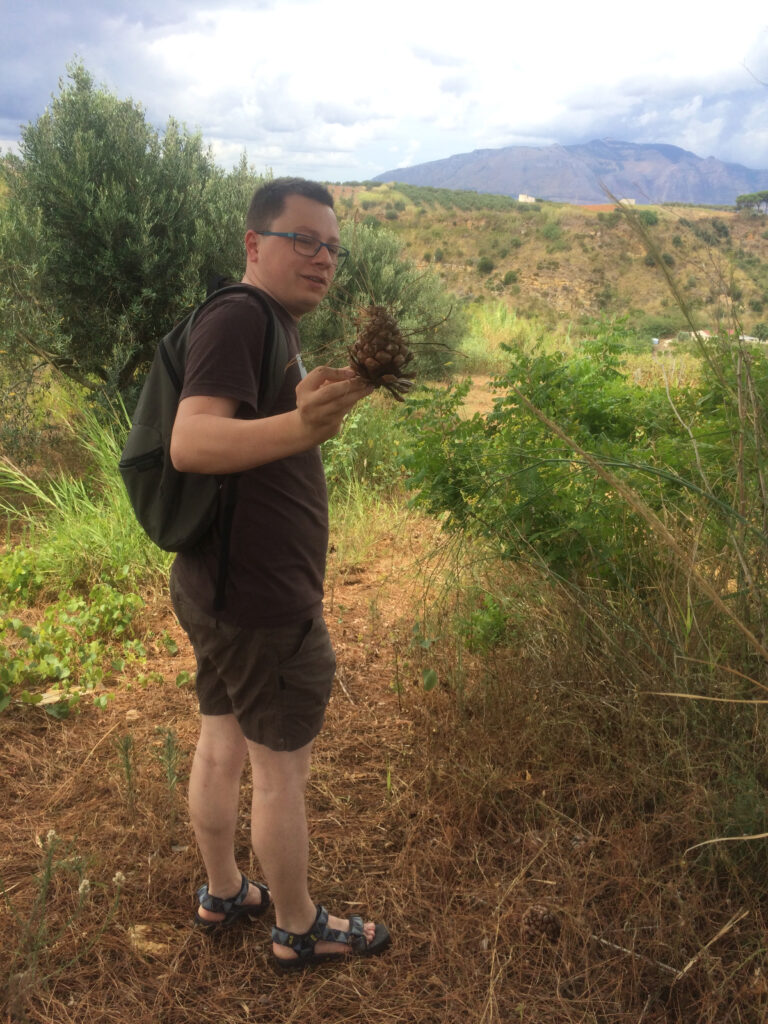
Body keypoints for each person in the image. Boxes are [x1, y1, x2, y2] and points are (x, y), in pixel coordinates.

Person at [168, 177, 390, 970]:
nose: (323, 258)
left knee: (222, 739)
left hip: (219, 583)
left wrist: (310, 408)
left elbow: (261, 432)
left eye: (332, 246)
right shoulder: (239, 315)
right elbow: (191, 444)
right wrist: (299, 423)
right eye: (305, 240)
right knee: (279, 770)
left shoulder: (269, 326)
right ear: (255, 244)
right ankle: (298, 927)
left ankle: (224, 889)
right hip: (259, 597)